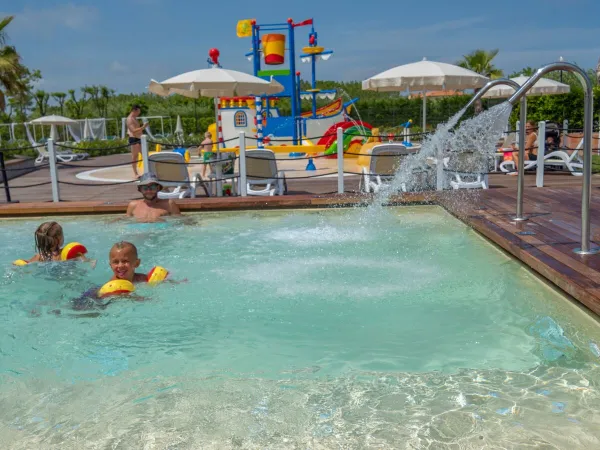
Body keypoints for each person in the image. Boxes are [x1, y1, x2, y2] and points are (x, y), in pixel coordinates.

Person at [26, 221, 95, 266]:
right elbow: (86, 261)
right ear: (59, 239)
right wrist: (92, 261)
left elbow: (26, 263)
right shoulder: (70, 254)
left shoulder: (40, 257)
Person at [127, 105, 149, 179]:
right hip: (134, 139)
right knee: (135, 157)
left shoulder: (134, 118)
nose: (139, 113)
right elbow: (133, 131)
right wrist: (143, 127)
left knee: (145, 155)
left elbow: (137, 129)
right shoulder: (129, 119)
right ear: (134, 110)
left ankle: (148, 171)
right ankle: (136, 173)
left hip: (139, 138)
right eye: (138, 111)